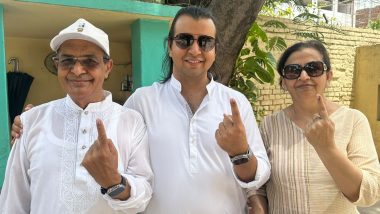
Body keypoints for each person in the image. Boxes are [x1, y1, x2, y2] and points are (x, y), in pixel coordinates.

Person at [10, 7, 270, 213]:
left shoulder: (235, 103)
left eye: (205, 42)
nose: (194, 49)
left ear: (214, 49)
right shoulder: (142, 102)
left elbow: (257, 178)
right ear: (170, 45)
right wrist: (31, 124)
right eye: (184, 40)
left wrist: (240, 153)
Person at [1, 18, 153, 213]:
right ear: (57, 65)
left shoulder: (131, 121)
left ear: (108, 67)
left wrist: (114, 182)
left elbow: (144, 196)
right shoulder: (31, 121)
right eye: (67, 61)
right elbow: (13, 200)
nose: (77, 70)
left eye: (90, 61)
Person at [248, 40, 380, 213]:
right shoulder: (270, 125)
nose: (303, 76)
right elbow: (258, 183)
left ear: (329, 75)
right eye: (292, 71)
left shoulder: (353, 120)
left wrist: (327, 148)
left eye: (314, 68)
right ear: (283, 82)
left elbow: (370, 193)